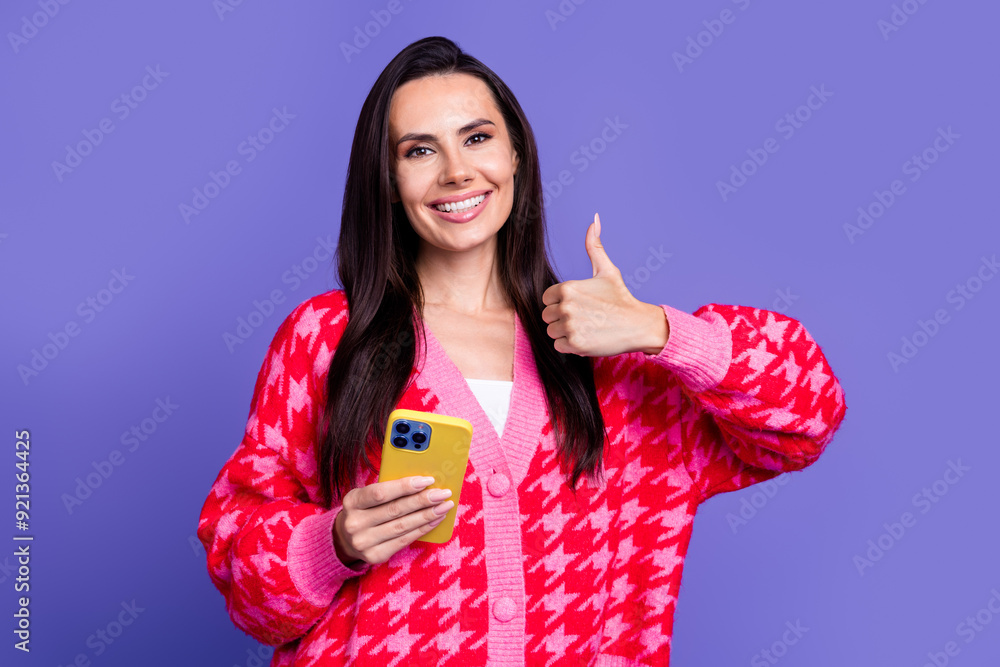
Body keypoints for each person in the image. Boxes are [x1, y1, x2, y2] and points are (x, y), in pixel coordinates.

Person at [196, 35, 848, 666]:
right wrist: (331, 542)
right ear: (389, 180)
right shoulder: (327, 337)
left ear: (515, 156)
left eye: (477, 138)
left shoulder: (613, 361)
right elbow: (239, 563)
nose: (457, 171)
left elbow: (810, 415)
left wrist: (661, 331)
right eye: (419, 150)